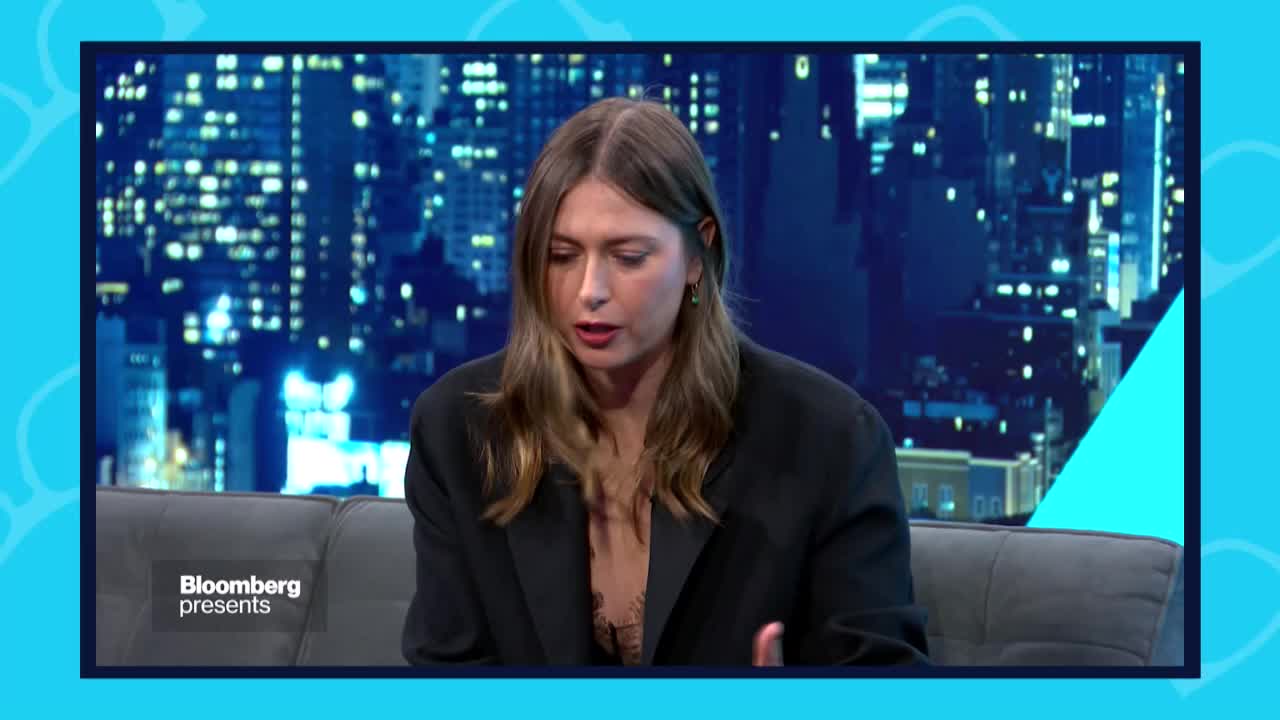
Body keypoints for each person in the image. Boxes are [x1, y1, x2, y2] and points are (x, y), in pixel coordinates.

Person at [401, 96, 930, 666]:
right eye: (562, 256)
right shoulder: (459, 432)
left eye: (628, 257)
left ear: (698, 255)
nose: (590, 291)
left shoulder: (829, 442)